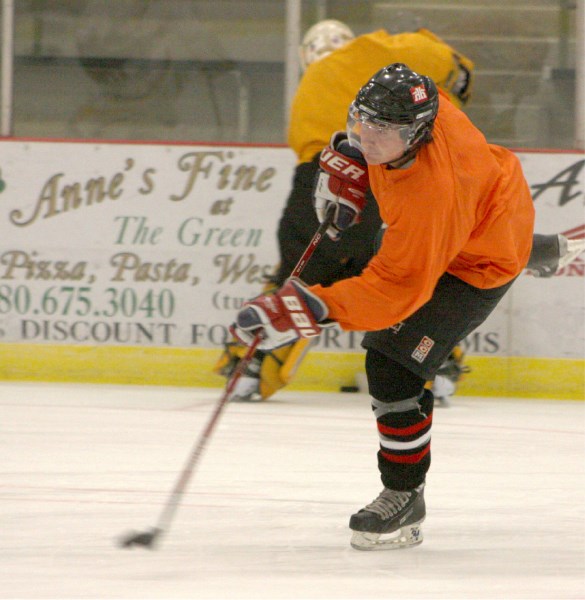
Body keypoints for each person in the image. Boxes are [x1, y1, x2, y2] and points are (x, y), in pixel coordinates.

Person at [231, 63, 536, 550]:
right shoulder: (416, 106)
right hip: (487, 198)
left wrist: (311, 308)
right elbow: (409, 84)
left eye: (382, 131)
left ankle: (403, 496)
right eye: (361, 122)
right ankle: (521, 242)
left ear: (416, 135)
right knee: (389, 237)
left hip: (473, 265)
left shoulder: (435, 198)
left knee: (392, 366)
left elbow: (395, 293)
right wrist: (353, 153)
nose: (367, 137)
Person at [215, 20, 476, 404]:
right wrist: (460, 72)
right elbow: (441, 62)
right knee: (404, 273)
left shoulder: (310, 85)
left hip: (323, 180)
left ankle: (250, 364)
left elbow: (308, 151)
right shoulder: (370, 53)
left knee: (299, 274)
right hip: (390, 175)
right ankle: (432, 366)